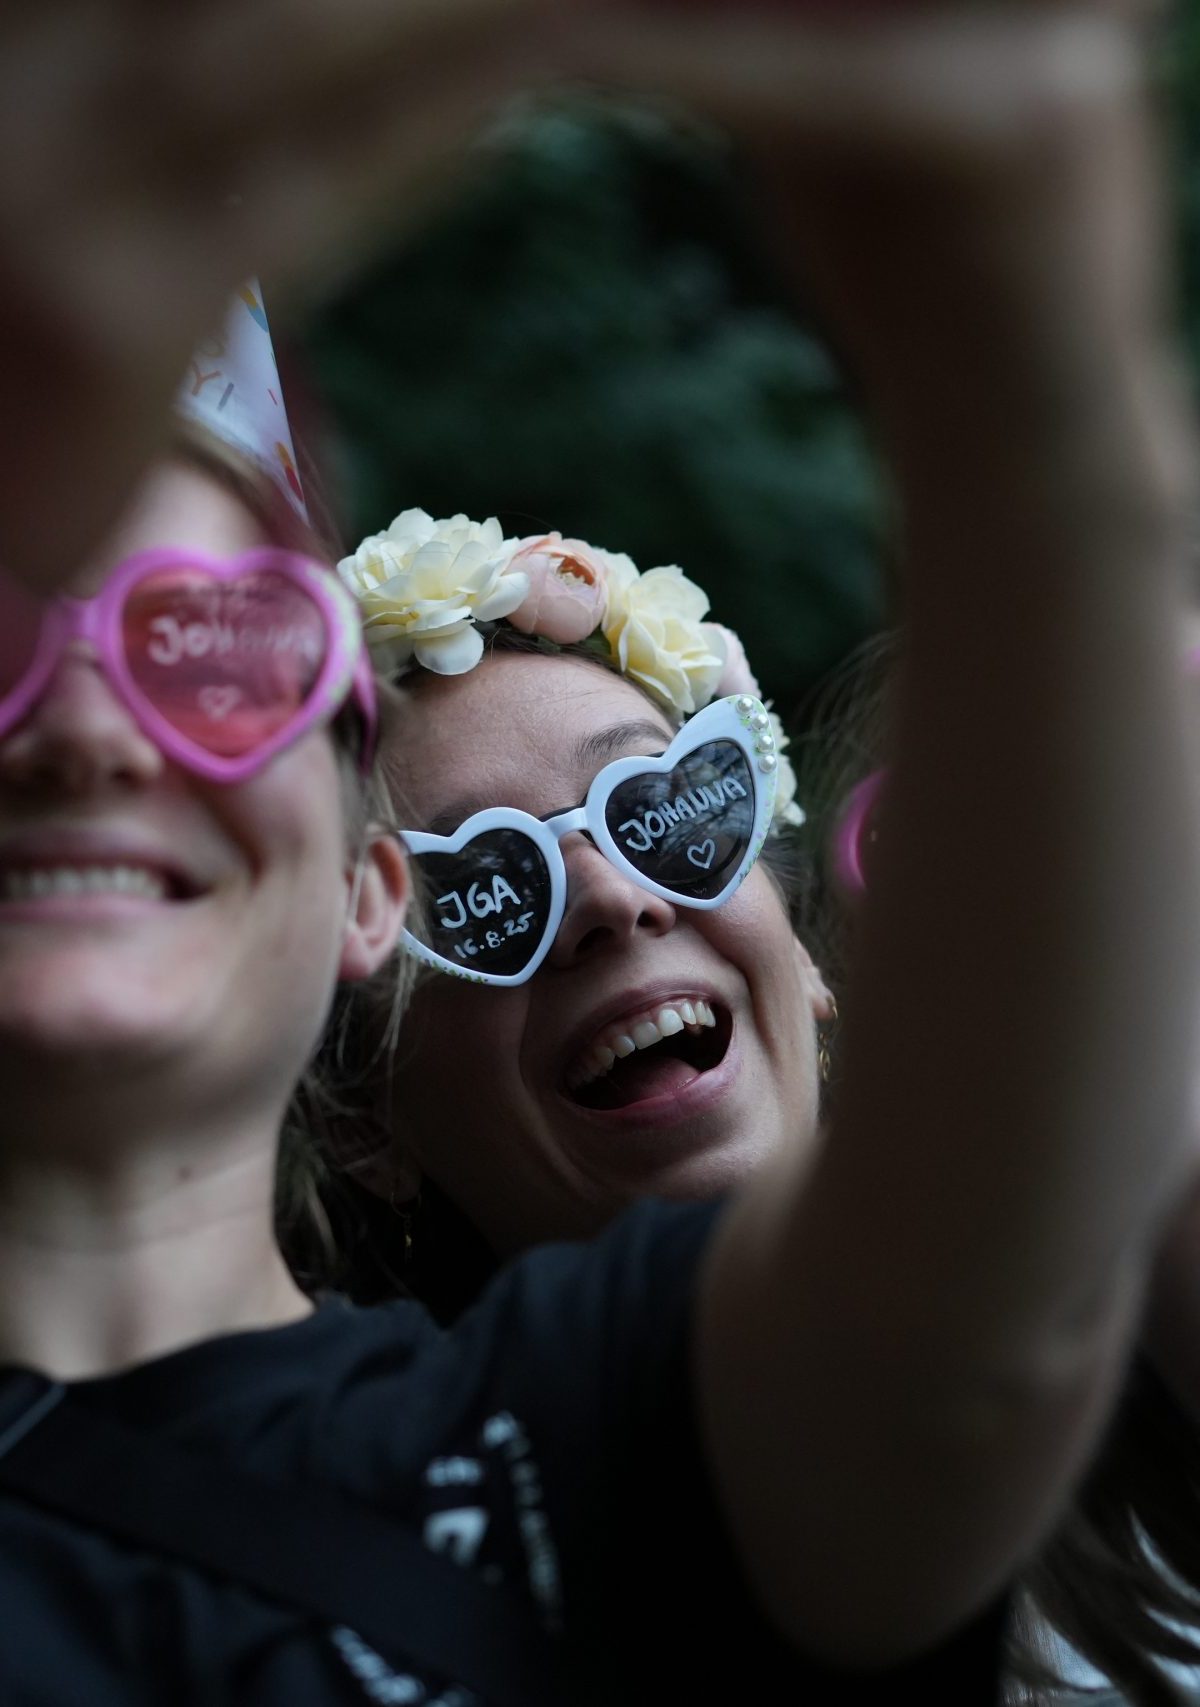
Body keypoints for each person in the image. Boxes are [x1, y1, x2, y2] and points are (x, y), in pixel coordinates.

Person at [0, 3, 1197, 1704]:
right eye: (493, 888)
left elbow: (984, 1327)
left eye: (212, 649)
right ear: (372, 1097)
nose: (92, 723)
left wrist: (1020, 317)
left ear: (358, 894)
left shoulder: (624, 1439)